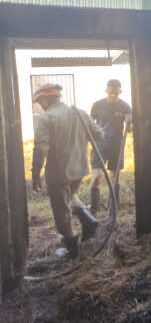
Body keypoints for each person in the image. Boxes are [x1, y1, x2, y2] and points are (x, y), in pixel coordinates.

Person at [31, 83, 103, 258]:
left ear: (47, 99)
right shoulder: (79, 113)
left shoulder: (46, 118)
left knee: (60, 209)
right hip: (78, 168)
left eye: (40, 101)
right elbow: (99, 134)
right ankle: (89, 221)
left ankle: (71, 248)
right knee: (72, 197)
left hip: (58, 173)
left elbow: (41, 149)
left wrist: (35, 173)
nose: (40, 105)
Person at [89, 79, 132, 214]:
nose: (113, 95)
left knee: (114, 177)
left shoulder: (125, 107)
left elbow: (129, 129)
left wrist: (130, 123)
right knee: (96, 177)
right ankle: (93, 209)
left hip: (116, 145)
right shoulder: (97, 105)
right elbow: (90, 125)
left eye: (116, 92)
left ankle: (113, 207)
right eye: (111, 92)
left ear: (120, 91)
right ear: (106, 90)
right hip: (99, 146)